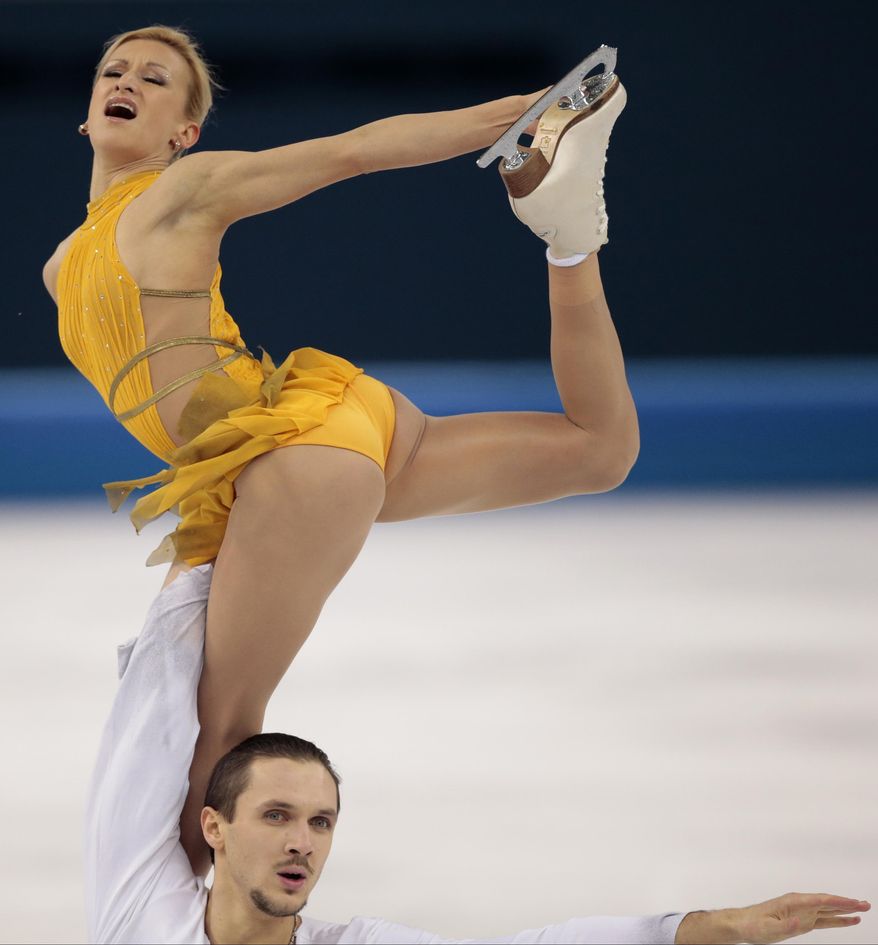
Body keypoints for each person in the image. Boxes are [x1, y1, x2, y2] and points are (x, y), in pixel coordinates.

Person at [47, 24, 636, 872]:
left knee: (219, 731)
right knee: (598, 450)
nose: (128, 80)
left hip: (290, 453)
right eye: (114, 69)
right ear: (88, 109)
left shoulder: (183, 189)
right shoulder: (62, 265)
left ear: (185, 133)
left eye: (156, 78)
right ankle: (570, 236)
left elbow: (350, 152)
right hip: (330, 435)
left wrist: (523, 112)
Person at [86, 564, 870, 944]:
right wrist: (207, 558)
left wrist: (708, 928)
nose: (302, 840)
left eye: (321, 821)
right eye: (278, 815)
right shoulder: (141, 911)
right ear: (214, 827)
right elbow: (143, 740)